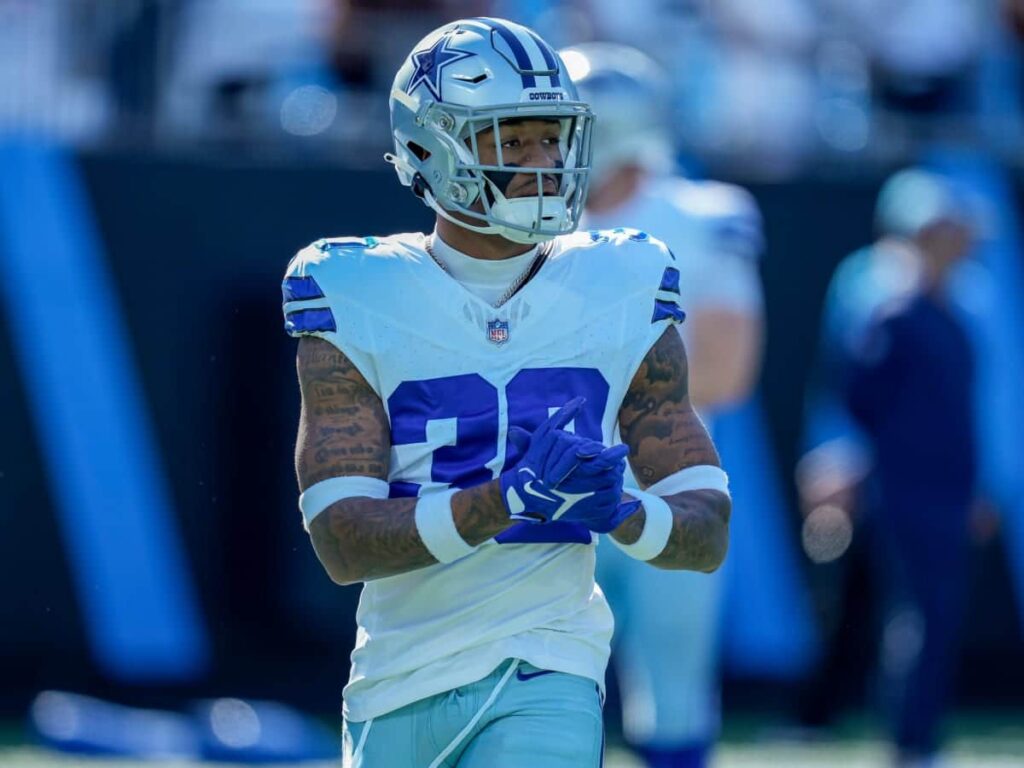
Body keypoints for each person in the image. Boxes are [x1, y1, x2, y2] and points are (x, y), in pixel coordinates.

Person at [280, 18, 733, 768]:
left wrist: (622, 511)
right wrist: (506, 501)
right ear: (432, 146)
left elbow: (707, 528)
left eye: (552, 138)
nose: (544, 163)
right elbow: (342, 540)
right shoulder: (356, 288)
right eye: (511, 140)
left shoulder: (622, 279)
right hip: (398, 678)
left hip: (550, 662)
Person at [563, 43, 765, 768]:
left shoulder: (703, 215)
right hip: (547, 477)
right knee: (539, 692)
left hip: (663, 474)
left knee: (673, 693)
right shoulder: (523, 221)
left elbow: (726, 370)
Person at [798, 168, 979, 768]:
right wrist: (840, 464)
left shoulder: (955, 313)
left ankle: (910, 734)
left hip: (940, 491)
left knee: (924, 610)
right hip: (890, 491)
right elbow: (851, 397)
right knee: (877, 608)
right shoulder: (885, 306)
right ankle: (885, 734)